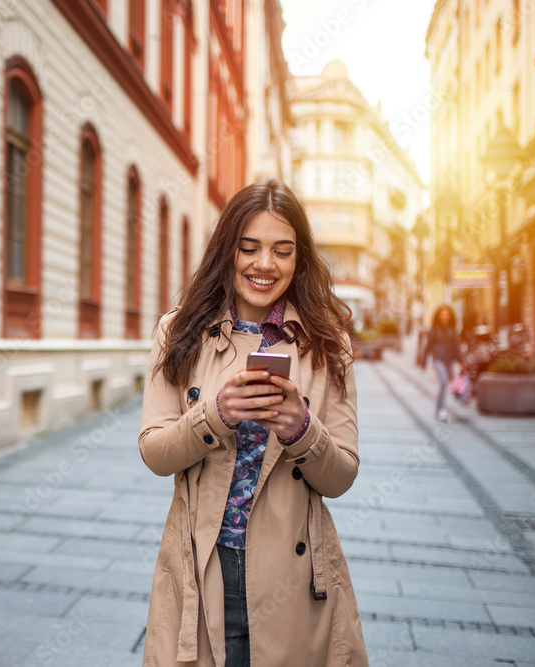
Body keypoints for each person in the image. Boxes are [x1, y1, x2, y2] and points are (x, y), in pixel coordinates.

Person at [138, 179, 367, 666]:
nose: (265, 264)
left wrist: (300, 428)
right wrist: (215, 415)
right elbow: (155, 453)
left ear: (298, 260)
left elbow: (342, 474)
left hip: (293, 574)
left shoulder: (328, 343)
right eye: (250, 248)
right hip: (201, 567)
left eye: (283, 251)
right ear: (228, 251)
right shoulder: (178, 332)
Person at [423, 304, 462, 422]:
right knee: (444, 381)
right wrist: (423, 361)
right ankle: (441, 409)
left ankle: (439, 408)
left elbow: (456, 347)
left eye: (447, 315)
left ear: (450, 316)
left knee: (446, 383)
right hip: (438, 359)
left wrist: (461, 362)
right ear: (438, 316)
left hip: (449, 359)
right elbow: (428, 346)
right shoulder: (434, 330)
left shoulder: (452, 330)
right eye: (442, 315)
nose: (445, 317)